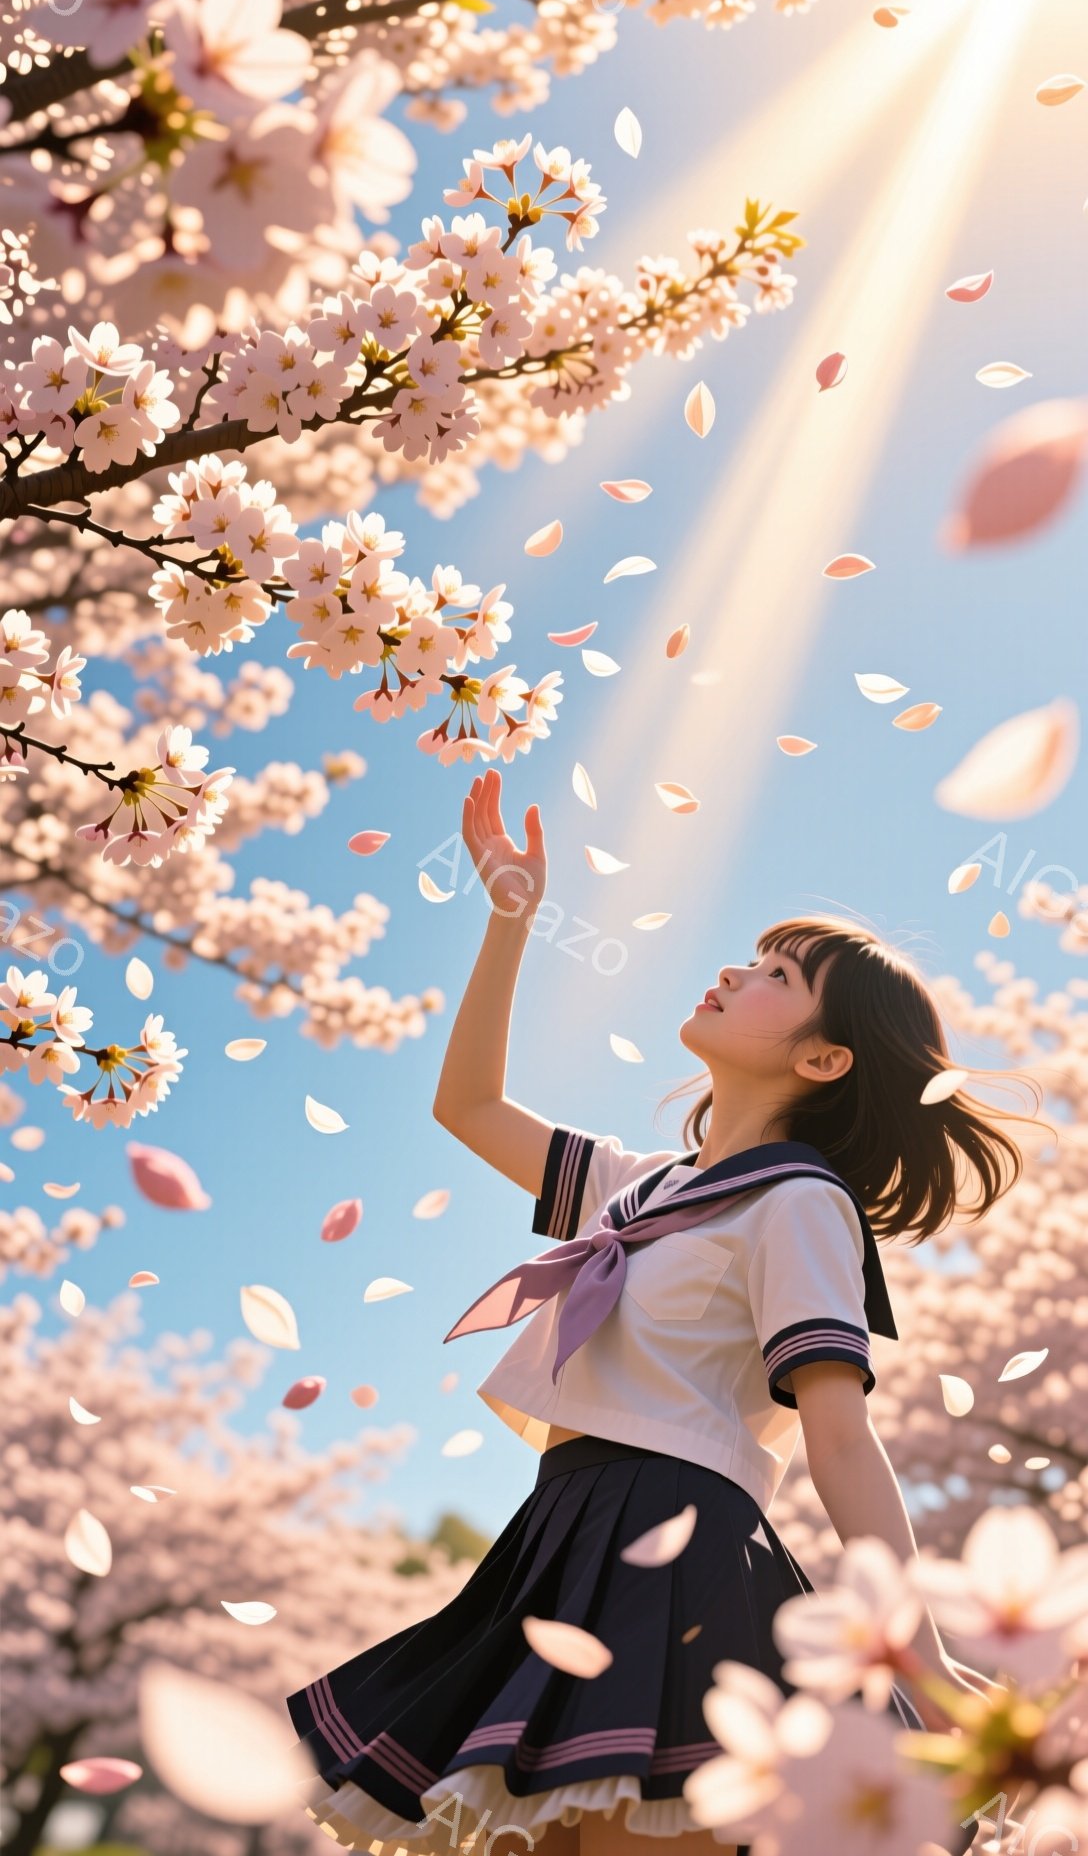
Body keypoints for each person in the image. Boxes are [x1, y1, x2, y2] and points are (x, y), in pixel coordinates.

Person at [285, 769, 1037, 1856]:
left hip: (677, 1548)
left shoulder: (799, 1201)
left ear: (823, 1058)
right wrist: (511, 921)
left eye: (777, 975)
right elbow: (469, 1106)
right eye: (753, 957)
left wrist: (910, 1650)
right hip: (559, 1533)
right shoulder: (639, 1185)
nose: (736, 970)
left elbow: (839, 1436)